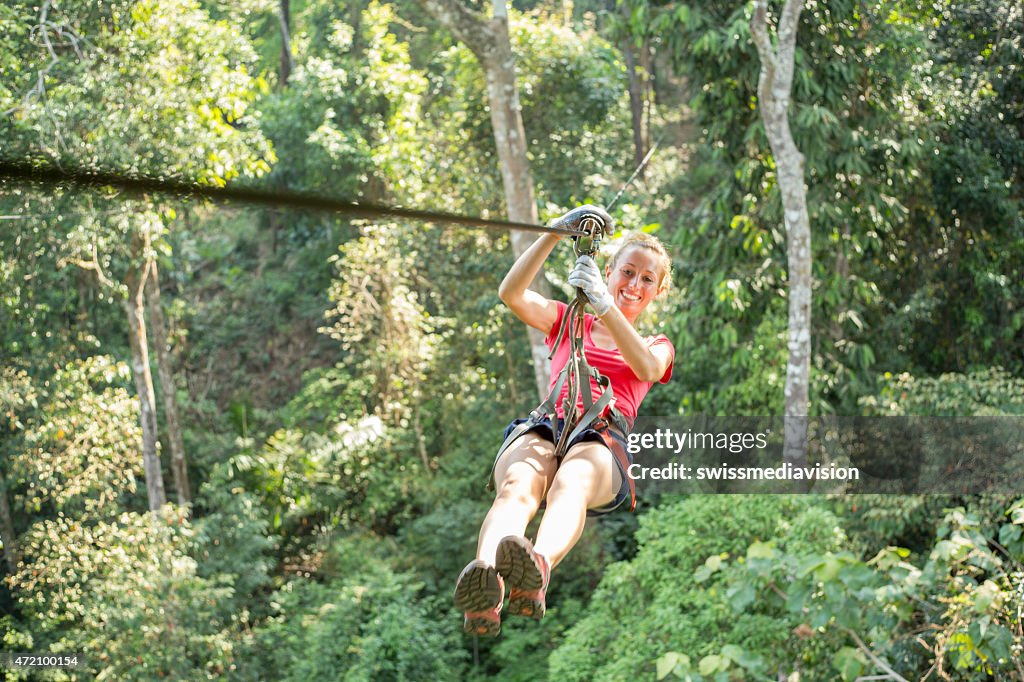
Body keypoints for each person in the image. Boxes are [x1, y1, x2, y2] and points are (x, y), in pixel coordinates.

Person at [453, 205, 675, 636]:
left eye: (647, 279)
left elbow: (647, 368)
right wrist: (554, 233)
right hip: (548, 424)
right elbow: (511, 294)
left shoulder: (656, 343)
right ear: (608, 270)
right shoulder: (566, 319)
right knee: (518, 485)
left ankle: (537, 566)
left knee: (569, 484)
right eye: (627, 272)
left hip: (602, 438)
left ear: (657, 291)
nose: (634, 284)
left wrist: (607, 306)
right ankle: (485, 580)